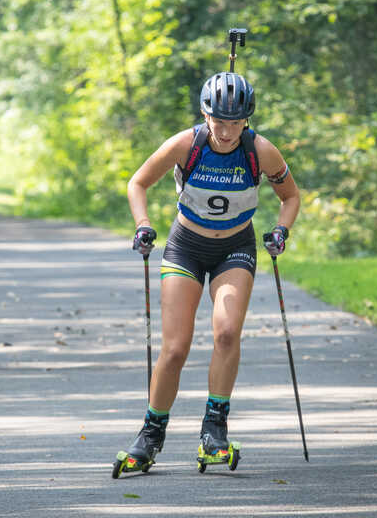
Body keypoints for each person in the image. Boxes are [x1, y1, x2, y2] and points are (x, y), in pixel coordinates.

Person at [114, 71, 300, 474]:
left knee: (227, 331)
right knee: (176, 348)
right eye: (219, 121)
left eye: (236, 122)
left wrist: (281, 230)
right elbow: (137, 183)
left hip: (235, 247)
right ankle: (150, 435)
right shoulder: (186, 144)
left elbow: (290, 195)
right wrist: (142, 223)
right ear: (205, 113)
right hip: (186, 247)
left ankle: (214, 431)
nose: (227, 131)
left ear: (247, 119)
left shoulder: (261, 150)